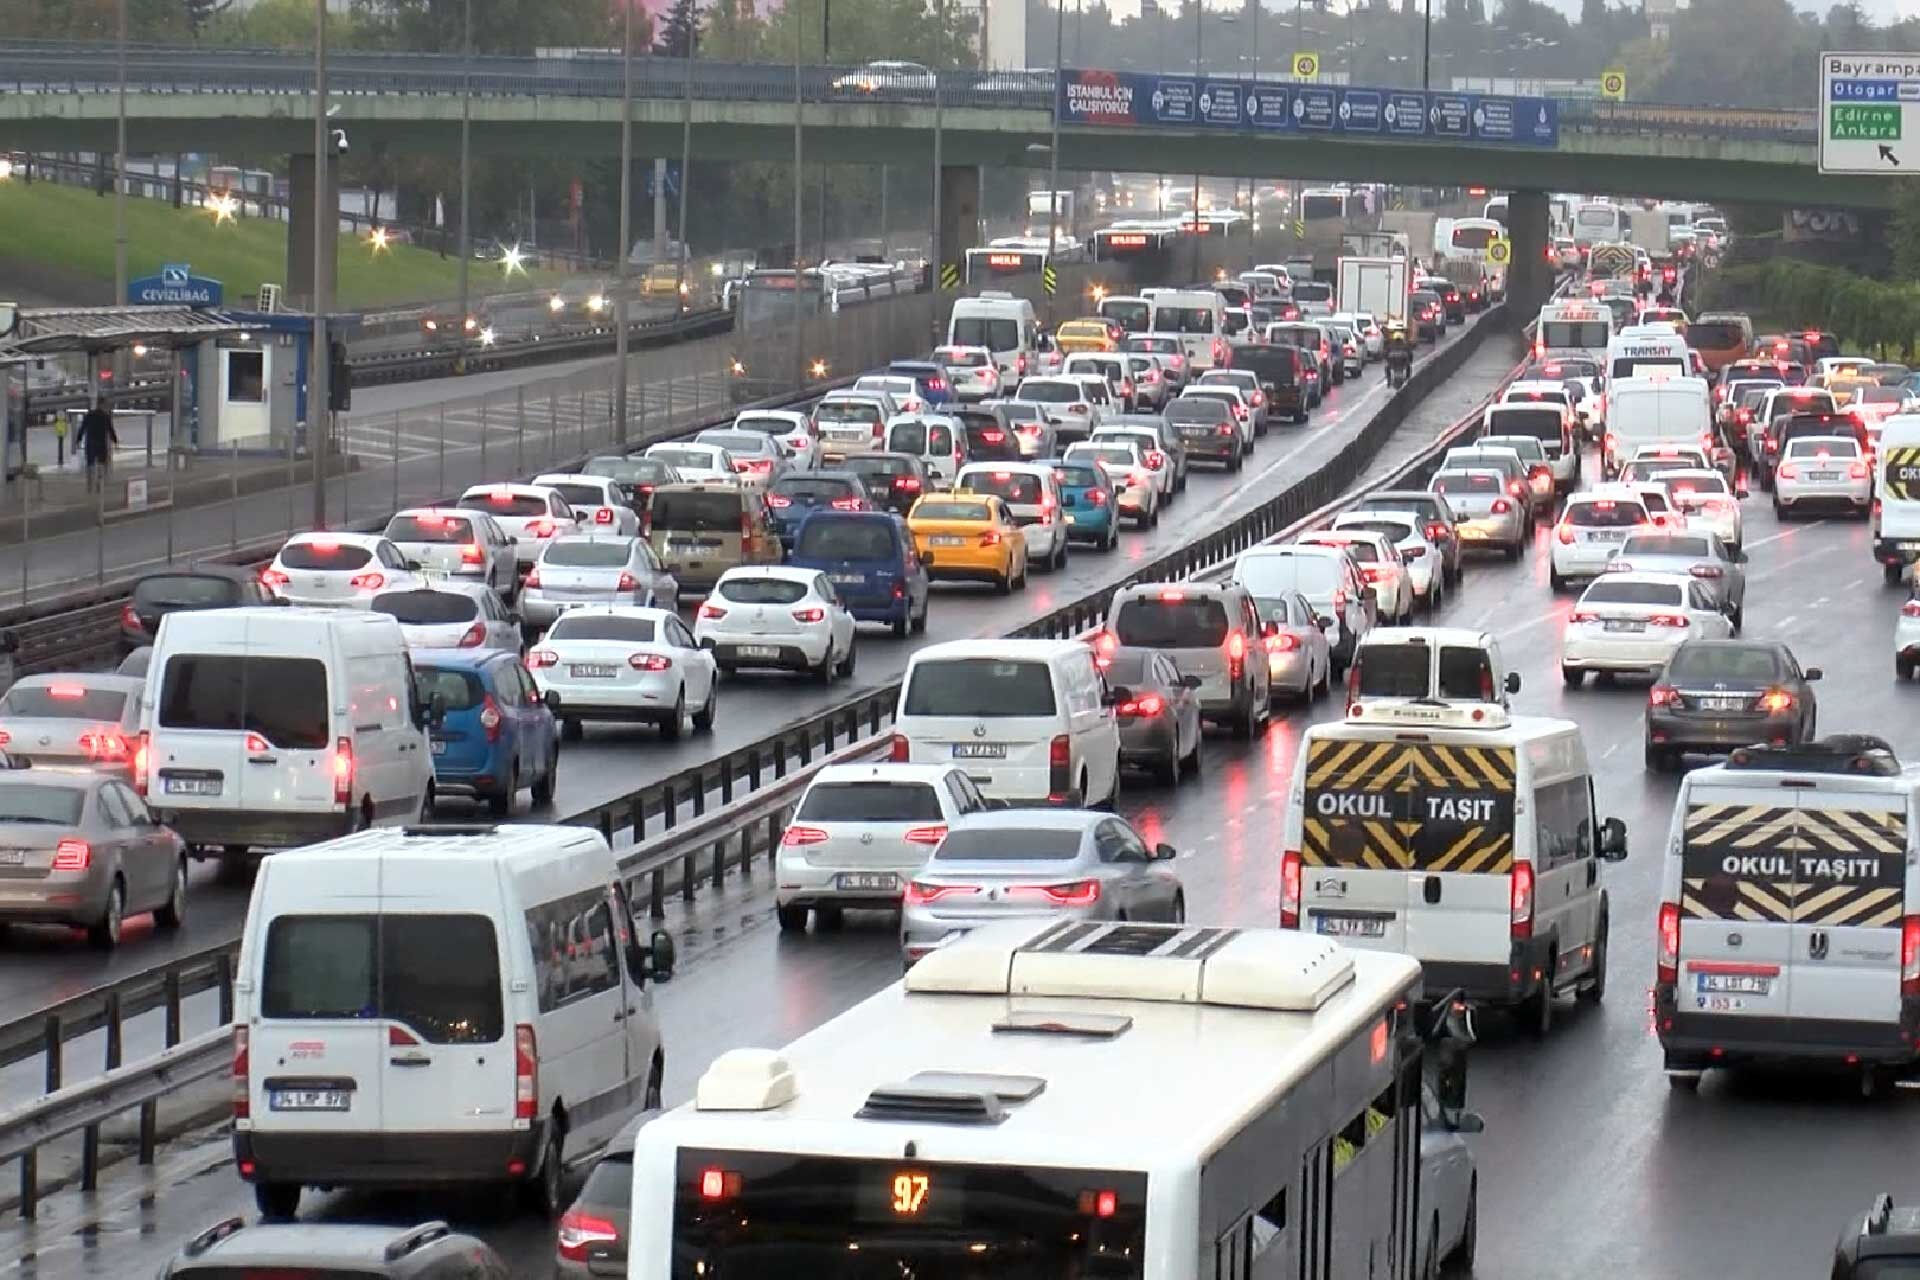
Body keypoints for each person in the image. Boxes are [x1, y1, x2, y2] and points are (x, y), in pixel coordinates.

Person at [77, 399, 117, 494]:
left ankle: (90, 486)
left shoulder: (89, 415)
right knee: (101, 464)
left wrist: (78, 439)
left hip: (90, 442)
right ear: (102, 405)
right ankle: (99, 484)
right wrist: (115, 440)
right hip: (101, 442)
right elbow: (110, 430)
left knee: (90, 464)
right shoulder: (105, 416)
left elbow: (82, 427)